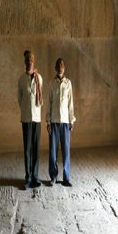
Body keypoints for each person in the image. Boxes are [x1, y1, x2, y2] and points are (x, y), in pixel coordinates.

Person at [46, 58, 76, 187]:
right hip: (54, 122)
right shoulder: (51, 84)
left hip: (65, 122)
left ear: (64, 68)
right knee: (53, 151)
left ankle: (66, 178)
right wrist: (48, 121)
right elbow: (49, 103)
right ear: (55, 67)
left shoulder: (68, 83)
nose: (60, 67)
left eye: (62, 65)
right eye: (58, 65)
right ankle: (53, 177)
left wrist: (71, 120)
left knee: (66, 151)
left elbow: (70, 103)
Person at [18, 50, 43, 189]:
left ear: (34, 62)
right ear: (25, 62)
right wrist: (27, 110)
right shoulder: (21, 79)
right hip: (27, 118)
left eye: (31, 61)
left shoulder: (39, 78)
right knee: (27, 149)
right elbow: (20, 99)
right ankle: (28, 177)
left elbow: (39, 98)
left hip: (37, 118)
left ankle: (35, 176)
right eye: (27, 61)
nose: (29, 63)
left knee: (36, 149)